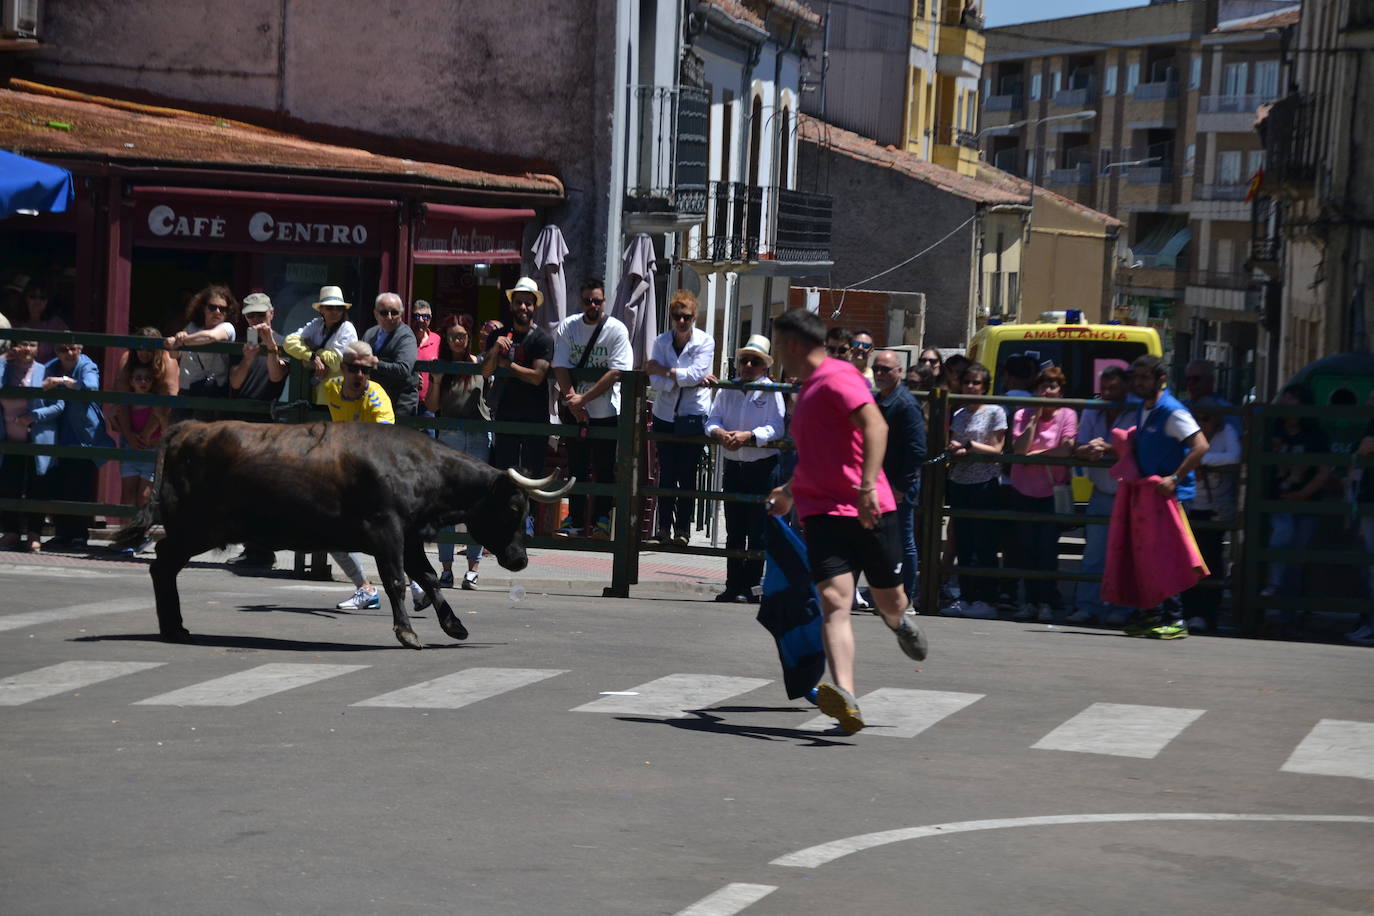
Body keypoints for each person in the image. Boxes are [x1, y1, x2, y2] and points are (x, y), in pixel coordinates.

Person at [764, 309, 928, 734]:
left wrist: (869, 486)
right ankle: (848, 698)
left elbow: (875, 426)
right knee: (834, 603)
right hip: (822, 515)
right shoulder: (804, 392)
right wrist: (788, 492)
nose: (778, 353)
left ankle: (898, 621)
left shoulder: (839, 378)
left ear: (795, 345)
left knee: (889, 600)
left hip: (868, 508)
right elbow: (817, 461)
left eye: (779, 345)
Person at [1121, 353, 1210, 639]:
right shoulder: (1144, 407)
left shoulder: (1172, 411)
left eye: (1145, 377)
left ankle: (1175, 618)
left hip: (1171, 496)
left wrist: (1175, 478)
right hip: (1149, 494)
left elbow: (1200, 446)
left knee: (1168, 557)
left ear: (1161, 380)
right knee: (1149, 556)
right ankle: (1151, 614)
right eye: (1136, 377)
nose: (1139, 382)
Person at [323, 341, 415, 612]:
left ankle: (419, 584)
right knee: (330, 533)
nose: (359, 375)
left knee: (389, 535)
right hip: (347, 474)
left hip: (379, 474)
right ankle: (365, 589)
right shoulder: (330, 389)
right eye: (353, 369)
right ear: (343, 369)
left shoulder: (377, 396)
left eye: (365, 370)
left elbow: (383, 442)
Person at [705, 334, 785, 603]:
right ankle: (732, 584)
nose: (748, 365)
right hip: (735, 465)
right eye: (744, 360)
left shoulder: (771, 390)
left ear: (765, 366)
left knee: (758, 531)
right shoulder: (728, 388)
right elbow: (712, 418)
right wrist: (720, 433)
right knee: (735, 530)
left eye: (755, 361)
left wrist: (748, 435)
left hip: (762, 467)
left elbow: (777, 426)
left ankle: (751, 587)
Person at [553, 277, 633, 539]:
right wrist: (572, 400)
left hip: (606, 411)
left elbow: (617, 371)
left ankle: (601, 521)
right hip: (575, 410)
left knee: (604, 468)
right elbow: (561, 366)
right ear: (581, 301)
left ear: (604, 301)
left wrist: (582, 401)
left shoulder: (616, 329)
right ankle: (574, 521)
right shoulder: (569, 326)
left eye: (597, 300)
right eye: (588, 300)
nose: (592, 305)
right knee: (576, 467)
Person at [1066, 366, 1136, 626]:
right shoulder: (1093, 409)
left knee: (1123, 554)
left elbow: (1137, 447)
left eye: (1113, 389)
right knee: (1094, 552)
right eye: (1103, 388)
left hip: (1128, 492)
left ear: (1125, 389)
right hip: (1101, 491)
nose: (1106, 394)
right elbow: (1080, 445)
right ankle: (1088, 606)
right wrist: (1087, 451)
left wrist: (1107, 449)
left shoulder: (1136, 411)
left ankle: (1122, 608)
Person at [645, 290, 716, 546]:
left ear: (694, 317)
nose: (682, 321)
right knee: (666, 473)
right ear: (672, 318)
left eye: (686, 317)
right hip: (665, 414)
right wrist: (681, 378)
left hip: (692, 414)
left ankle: (683, 531)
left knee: (687, 474)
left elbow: (695, 374)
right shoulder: (661, 341)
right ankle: (663, 528)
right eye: (677, 317)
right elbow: (656, 382)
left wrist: (665, 371)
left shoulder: (705, 341)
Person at [224, 293, 290, 568]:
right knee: (241, 488)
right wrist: (248, 358)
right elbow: (235, 383)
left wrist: (270, 346)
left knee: (263, 488)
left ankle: (263, 549)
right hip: (241, 420)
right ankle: (251, 546)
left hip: (266, 422)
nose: (256, 321)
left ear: (271, 314)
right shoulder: (241, 345)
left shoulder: (283, 342)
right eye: (251, 316)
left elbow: (277, 377)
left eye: (261, 316)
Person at [1009, 366, 1078, 622]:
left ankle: (1046, 601)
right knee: (1026, 549)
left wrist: (1034, 456)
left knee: (1047, 550)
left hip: (1051, 492)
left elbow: (1066, 449)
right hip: (1023, 489)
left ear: (1061, 392)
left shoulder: (1068, 414)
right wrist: (1034, 420)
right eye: (1042, 386)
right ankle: (1029, 600)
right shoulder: (1022, 414)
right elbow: (1019, 450)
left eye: (1052, 386)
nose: (1046, 391)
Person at [427, 314, 489, 591]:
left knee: (477, 505)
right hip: (450, 434)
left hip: (477, 434)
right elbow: (431, 405)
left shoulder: (478, 364)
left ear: (469, 337)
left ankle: (473, 569)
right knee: (447, 504)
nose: (457, 340)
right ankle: (447, 569)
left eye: (462, 335)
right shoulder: (442, 366)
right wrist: (437, 380)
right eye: (452, 335)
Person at [940, 360, 1006, 620]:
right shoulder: (959, 414)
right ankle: (966, 596)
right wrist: (955, 448)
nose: (970, 387)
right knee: (964, 542)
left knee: (985, 543)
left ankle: (986, 598)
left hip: (984, 483)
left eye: (976, 383)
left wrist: (971, 446)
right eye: (967, 382)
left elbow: (998, 449)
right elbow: (954, 441)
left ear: (984, 387)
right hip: (960, 481)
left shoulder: (995, 412)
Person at [39, 341, 115, 550]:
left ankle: (79, 535)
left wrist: (62, 381)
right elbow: (38, 383)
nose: (69, 353)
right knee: (60, 485)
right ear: (57, 351)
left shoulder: (86, 365)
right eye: (63, 349)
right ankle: (63, 533)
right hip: (59, 435)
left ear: (80, 349)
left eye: (73, 348)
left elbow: (91, 386)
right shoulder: (51, 366)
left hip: (84, 437)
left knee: (80, 486)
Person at [1261, 384, 1331, 603]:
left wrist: (1302, 494)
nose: (1285, 402)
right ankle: (1273, 589)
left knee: (1297, 558)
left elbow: (1324, 471)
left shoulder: (1316, 435)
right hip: (1279, 500)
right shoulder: (1273, 430)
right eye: (1285, 397)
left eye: (1292, 398)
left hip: (1307, 502)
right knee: (1282, 537)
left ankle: (1289, 613)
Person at [483, 277, 555, 483]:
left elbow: (537, 377)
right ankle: (506, 515)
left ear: (535, 306)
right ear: (511, 305)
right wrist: (496, 348)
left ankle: (530, 516)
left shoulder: (543, 338)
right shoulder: (497, 335)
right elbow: (486, 372)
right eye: (518, 302)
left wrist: (507, 365)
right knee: (505, 473)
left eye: (528, 303)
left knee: (533, 474)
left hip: (535, 416)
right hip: (505, 413)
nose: (523, 307)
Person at [872, 348, 927, 609]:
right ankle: (887, 594)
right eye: (876, 369)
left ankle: (906, 598)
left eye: (886, 369)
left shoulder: (905, 404)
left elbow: (917, 451)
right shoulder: (879, 401)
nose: (879, 373)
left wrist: (901, 488)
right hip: (880, 484)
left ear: (899, 372)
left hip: (897, 487)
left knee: (904, 542)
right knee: (883, 543)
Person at [1181, 407, 1241, 633]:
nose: (1201, 422)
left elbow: (1235, 456)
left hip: (1214, 509)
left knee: (1210, 562)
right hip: (1189, 505)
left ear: (1217, 420)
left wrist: (1201, 459)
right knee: (1186, 561)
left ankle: (1205, 614)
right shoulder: (1188, 434)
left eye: (1206, 417)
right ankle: (1186, 612)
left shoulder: (1226, 433)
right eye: (1197, 418)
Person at [0, 339, 60, 552]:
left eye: (32, 344)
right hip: (9, 440)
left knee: (38, 488)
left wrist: (33, 416)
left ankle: (35, 534)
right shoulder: (5, 369)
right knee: (8, 486)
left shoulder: (45, 371)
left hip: (37, 442)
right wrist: (5, 358)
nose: (27, 348)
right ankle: (11, 533)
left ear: (38, 348)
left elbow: (59, 405)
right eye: (23, 344)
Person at [115, 360, 163, 552]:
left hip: (150, 451)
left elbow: (163, 425)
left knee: (144, 496)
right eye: (138, 378)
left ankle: (140, 535)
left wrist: (152, 440)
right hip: (130, 449)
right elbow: (116, 422)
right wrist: (130, 436)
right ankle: (124, 536)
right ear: (131, 381)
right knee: (127, 494)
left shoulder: (156, 402)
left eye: (147, 378)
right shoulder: (128, 402)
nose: (143, 382)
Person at [283, 285, 359, 406]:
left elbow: (336, 362)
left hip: (340, 396)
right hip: (318, 394)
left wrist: (315, 348)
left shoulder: (347, 328)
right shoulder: (317, 324)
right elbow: (288, 342)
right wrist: (312, 356)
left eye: (339, 308)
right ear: (321, 309)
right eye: (329, 308)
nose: (334, 311)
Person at [166, 284, 238, 408]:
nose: (217, 312)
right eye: (212, 307)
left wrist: (181, 340)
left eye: (223, 309)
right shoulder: (192, 327)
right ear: (203, 308)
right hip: (186, 392)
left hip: (211, 395)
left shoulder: (227, 328)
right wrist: (177, 338)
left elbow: (211, 337)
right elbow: (174, 355)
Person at [361, 292, 419, 417]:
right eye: (383, 312)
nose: (389, 317)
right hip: (373, 400)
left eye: (394, 312)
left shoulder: (406, 336)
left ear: (401, 314)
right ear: (375, 314)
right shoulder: (370, 333)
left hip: (399, 405)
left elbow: (403, 369)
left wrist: (375, 364)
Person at [1347, 393, 1374, 645]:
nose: (1367, 401)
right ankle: (1367, 622)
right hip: (1365, 498)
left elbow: (1367, 447)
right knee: (1367, 564)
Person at [14, 281, 67, 362]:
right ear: (25, 299)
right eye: (33, 297)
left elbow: (66, 351)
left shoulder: (57, 324)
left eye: (42, 297)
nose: (37, 301)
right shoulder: (17, 322)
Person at [411, 299, 440, 420]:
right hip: (406, 402)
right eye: (416, 316)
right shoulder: (404, 339)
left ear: (430, 319)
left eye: (425, 317)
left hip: (429, 407)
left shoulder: (438, 340)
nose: (421, 320)